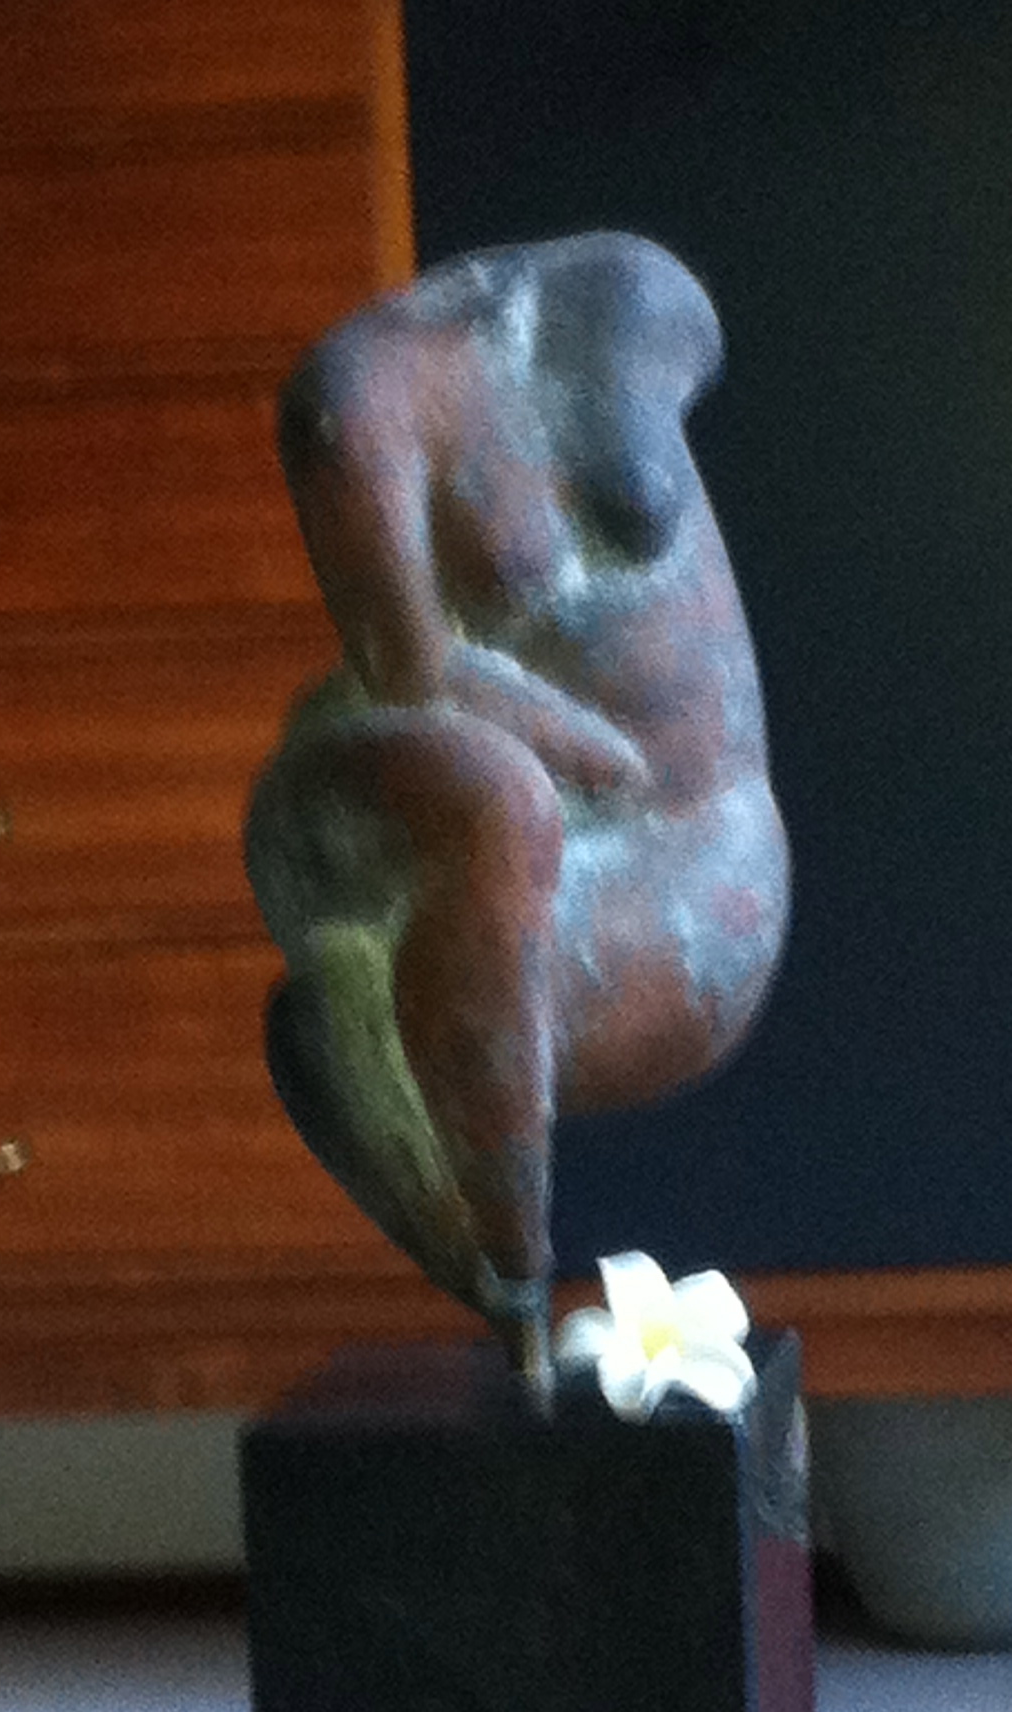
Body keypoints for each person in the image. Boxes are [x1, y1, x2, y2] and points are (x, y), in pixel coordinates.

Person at [245, 231, 789, 1393]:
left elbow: (672, 385)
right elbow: (413, 670)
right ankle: (512, 1270)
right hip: (569, 842)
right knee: (495, 801)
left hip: (720, 866)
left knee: (496, 818)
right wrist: (595, 753)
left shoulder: (618, 292)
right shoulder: (353, 408)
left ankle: (462, 1195)